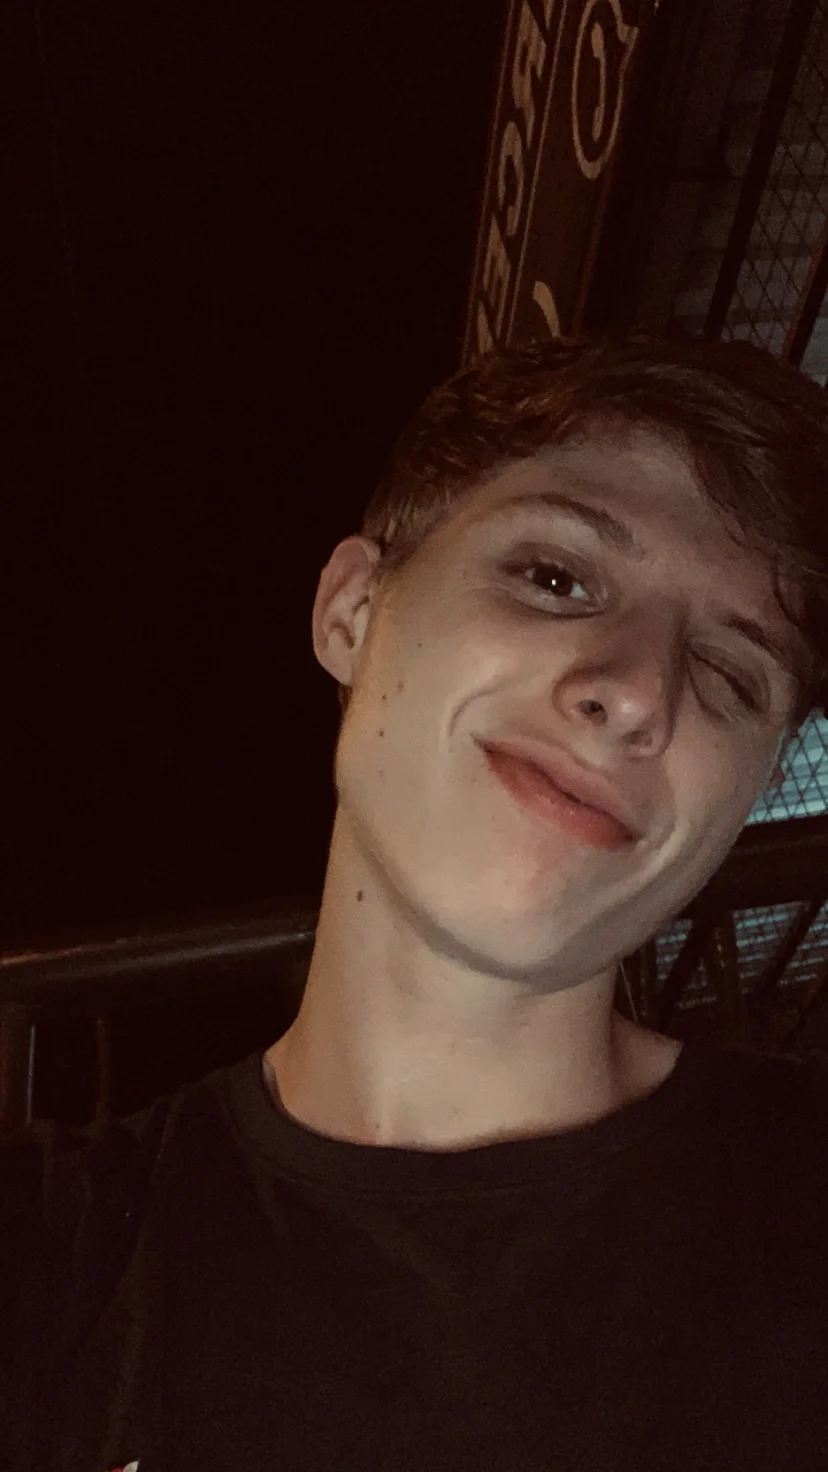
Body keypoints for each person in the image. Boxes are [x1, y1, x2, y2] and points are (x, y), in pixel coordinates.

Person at [5, 334, 828, 1471]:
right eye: (556, 578)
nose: (640, 691)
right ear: (352, 610)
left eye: (731, 675)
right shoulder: (51, 1260)